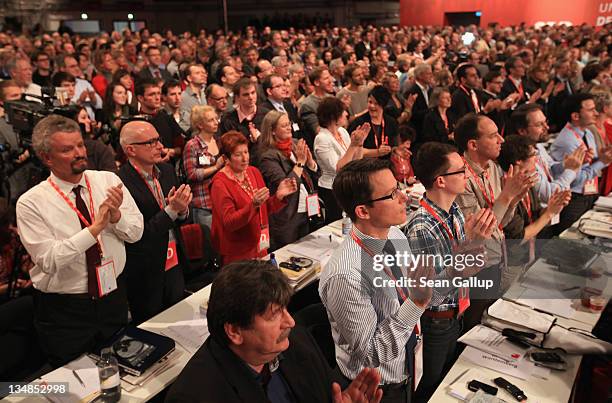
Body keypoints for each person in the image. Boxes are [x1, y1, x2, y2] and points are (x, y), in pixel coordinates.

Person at [16, 115, 143, 366]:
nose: (78, 153)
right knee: (77, 384)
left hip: (112, 297)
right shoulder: (31, 203)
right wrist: (94, 230)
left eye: (80, 145)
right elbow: (50, 261)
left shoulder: (108, 181)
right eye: (67, 149)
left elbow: (136, 233)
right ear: (46, 158)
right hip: (66, 311)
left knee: (124, 373)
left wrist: (116, 216)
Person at [165, 260, 384, 403]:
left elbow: (327, 392)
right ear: (234, 331)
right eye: (275, 315)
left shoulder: (297, 340)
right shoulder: (193, 396)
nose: (289, 322)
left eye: (286, 309)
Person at [319, 158, 439, 403]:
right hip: (375, 388)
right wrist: (416, 304)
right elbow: (371, 353)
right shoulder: (346, 274)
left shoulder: (395, 235)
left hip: (408, 365)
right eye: (391, 194)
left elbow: (406, 296)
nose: (404, 197)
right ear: (363, 211)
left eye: (398, 188)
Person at [405, 142, 497, 402]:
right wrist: (471, 249)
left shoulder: (453, 211)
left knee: (448, 380)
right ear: (441, 181)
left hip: (457, 312)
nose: (467, 175)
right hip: (436, 320)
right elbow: (429, 294)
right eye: (460, 171)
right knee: (430, 388)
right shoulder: (422, 227)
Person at [453, 113, 534, 327]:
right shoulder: (460, 177)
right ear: (473, 144)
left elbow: (502, 222)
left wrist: (514, 198)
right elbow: (480, 230)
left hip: (497, 256)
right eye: (494, 135)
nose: (502, 140)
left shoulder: (493, 169)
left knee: (487, 318)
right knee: (472, 324)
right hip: (476, 265)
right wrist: (506, 196)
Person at [118, 121, 191, 324]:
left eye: (159, 140)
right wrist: (172, 210)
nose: (160, 146)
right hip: (145, 269)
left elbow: (180, 218)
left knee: (178, 316)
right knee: (152, 325)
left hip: (174, 258)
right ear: (130, 149)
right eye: (151, 142)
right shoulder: (119, 181)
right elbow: (138, 234)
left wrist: (182, 209)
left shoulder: (166, 171)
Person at [210, 131, 297, 265]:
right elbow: (229, 223)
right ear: (226, 158)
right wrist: (253, 205)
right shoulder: (219, 184)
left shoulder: (253, 172)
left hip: (260, 244)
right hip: (237, 251)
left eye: (246, 152)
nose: (245, 158)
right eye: (238, 155)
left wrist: (278, 197)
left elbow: (264, 208)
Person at [498, 135, 571, 265]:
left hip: (529, 255)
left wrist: (553, 207)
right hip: (512, 262)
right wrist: (548, 214)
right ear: (519, 161)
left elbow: (536, 215)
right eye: (533, 154)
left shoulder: (527, 181)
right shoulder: (505, 188)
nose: (537, 159)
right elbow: (517, 238)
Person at [550, 93, 612, 233]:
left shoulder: (587, 132)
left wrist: (601, 157)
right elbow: (575, 180)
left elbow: (589, 166)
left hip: (588, 193)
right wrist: (601, 162)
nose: (596, 113)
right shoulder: (567, 141)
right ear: (576, 116)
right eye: (591, 110)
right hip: (574, 198)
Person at [257, 110, 319, 250]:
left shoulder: (296, 144)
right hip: (287, 216)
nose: (289, 127)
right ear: (272, 131)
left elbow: (316, 174)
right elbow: (286, 186)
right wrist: (300, 163)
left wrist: (310, 164)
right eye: (284, 125)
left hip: (308, 210)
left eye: (289, 124)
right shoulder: (268, 157)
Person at [511, 103, 583, 203]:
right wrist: (570, 170)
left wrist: (566, 164)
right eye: (539, 124)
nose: (547, 127)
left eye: (545, 122)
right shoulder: (522, 159)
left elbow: (550, 167)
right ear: (522, 131)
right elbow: (550, 194)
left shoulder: (538, 145)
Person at [314, 97, 369, 223]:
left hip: (347, 185)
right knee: (338, 226)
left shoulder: (343, 132)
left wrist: (359, 144)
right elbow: (338, 168)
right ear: (334, 116)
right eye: (343, 111)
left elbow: (356, 162)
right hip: (331, 190)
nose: (346, 114)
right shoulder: (322, 138)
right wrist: (353, 145)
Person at [183, 105, 225, 228]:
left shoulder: (219, 141)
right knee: (209, 243)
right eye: (210, 120)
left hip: (222, 201)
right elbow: (191, 174)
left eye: (216, 119)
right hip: (204, 204)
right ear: (200, 125)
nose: (215, 122)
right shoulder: (192, 145)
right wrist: (216, 167)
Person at [218, 78, 268, 155]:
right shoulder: (228, 119)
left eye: (253, 93)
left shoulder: (267, 115)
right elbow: (227, 148)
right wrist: (250, 141)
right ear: (237, 97)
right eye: (246, 94)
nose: (251, 97)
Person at [348, 85, 399, 158]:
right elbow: (352, 149)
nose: (372, 106)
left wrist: (396, 151)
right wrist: (377, 152)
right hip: (364, 165)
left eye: (376, 103)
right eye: (370, 102)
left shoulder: (391, 122)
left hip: (385, 164)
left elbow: (394, 146)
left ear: (383, 105)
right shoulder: (359, 122)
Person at [299, 66, 335, 149]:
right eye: (326, 78)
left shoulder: (332, 98)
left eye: (330, 77)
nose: (331, 81)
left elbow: (343, 123)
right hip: (324, 147)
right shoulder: (307, 105)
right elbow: (318, 131)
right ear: (316, 83)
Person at [179, 63, 208, 131]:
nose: (202, 75)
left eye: (203, 73)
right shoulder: (183, 97)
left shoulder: (204, 95)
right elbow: (185, 124)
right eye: (197, 73)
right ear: (189, 78)